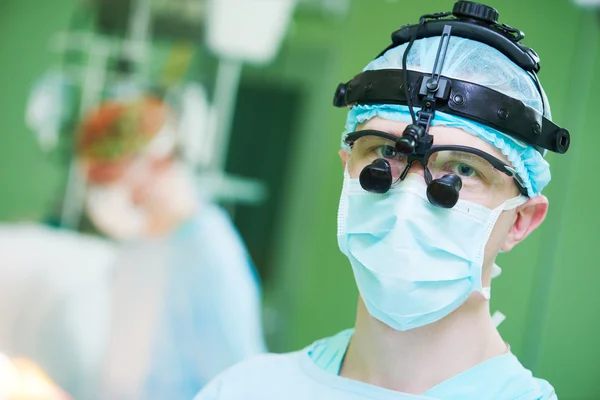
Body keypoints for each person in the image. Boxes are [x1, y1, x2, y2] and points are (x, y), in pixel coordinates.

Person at [193, 2, 570, 399]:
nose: (407, 202)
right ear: (347, 170)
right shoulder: (246, 388)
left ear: (520, 221)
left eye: (462, 170)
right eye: (386, 154)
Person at [74, 94, 267, 399]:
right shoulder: (138, 248)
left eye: (115, 178)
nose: (109, 197)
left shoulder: (208, 255)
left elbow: (239, 384)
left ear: (159, 160)